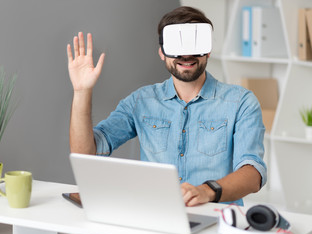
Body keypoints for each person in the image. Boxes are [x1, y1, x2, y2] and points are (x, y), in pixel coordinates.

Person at [67, 6, 267, 206]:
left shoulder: (241, 102)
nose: (186, 55)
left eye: (194, 43)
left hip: (217, 220)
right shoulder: (141, 101)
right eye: (177, 44)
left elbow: (253, 173)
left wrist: (207, 191)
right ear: (162, 52)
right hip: (158, 215)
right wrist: (81, 92)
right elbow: (85, 154)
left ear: (208, 50)